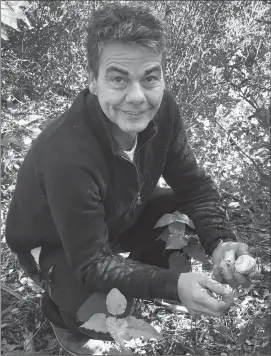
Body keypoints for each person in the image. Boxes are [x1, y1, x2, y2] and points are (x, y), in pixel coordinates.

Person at [5, 3, 257, 355]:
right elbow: (92, 262)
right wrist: (174, 286)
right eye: (118, 77)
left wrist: (221, 242)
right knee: (110, 313)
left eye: (150, 77)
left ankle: (145, 272)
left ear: (163, 76)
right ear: (93, 80)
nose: (137, 97)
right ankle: (60, 309)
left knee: (183, 222)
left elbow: (193, 186)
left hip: (115, 214)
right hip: (54, 241)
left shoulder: (164, 108)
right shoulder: (67, 154)